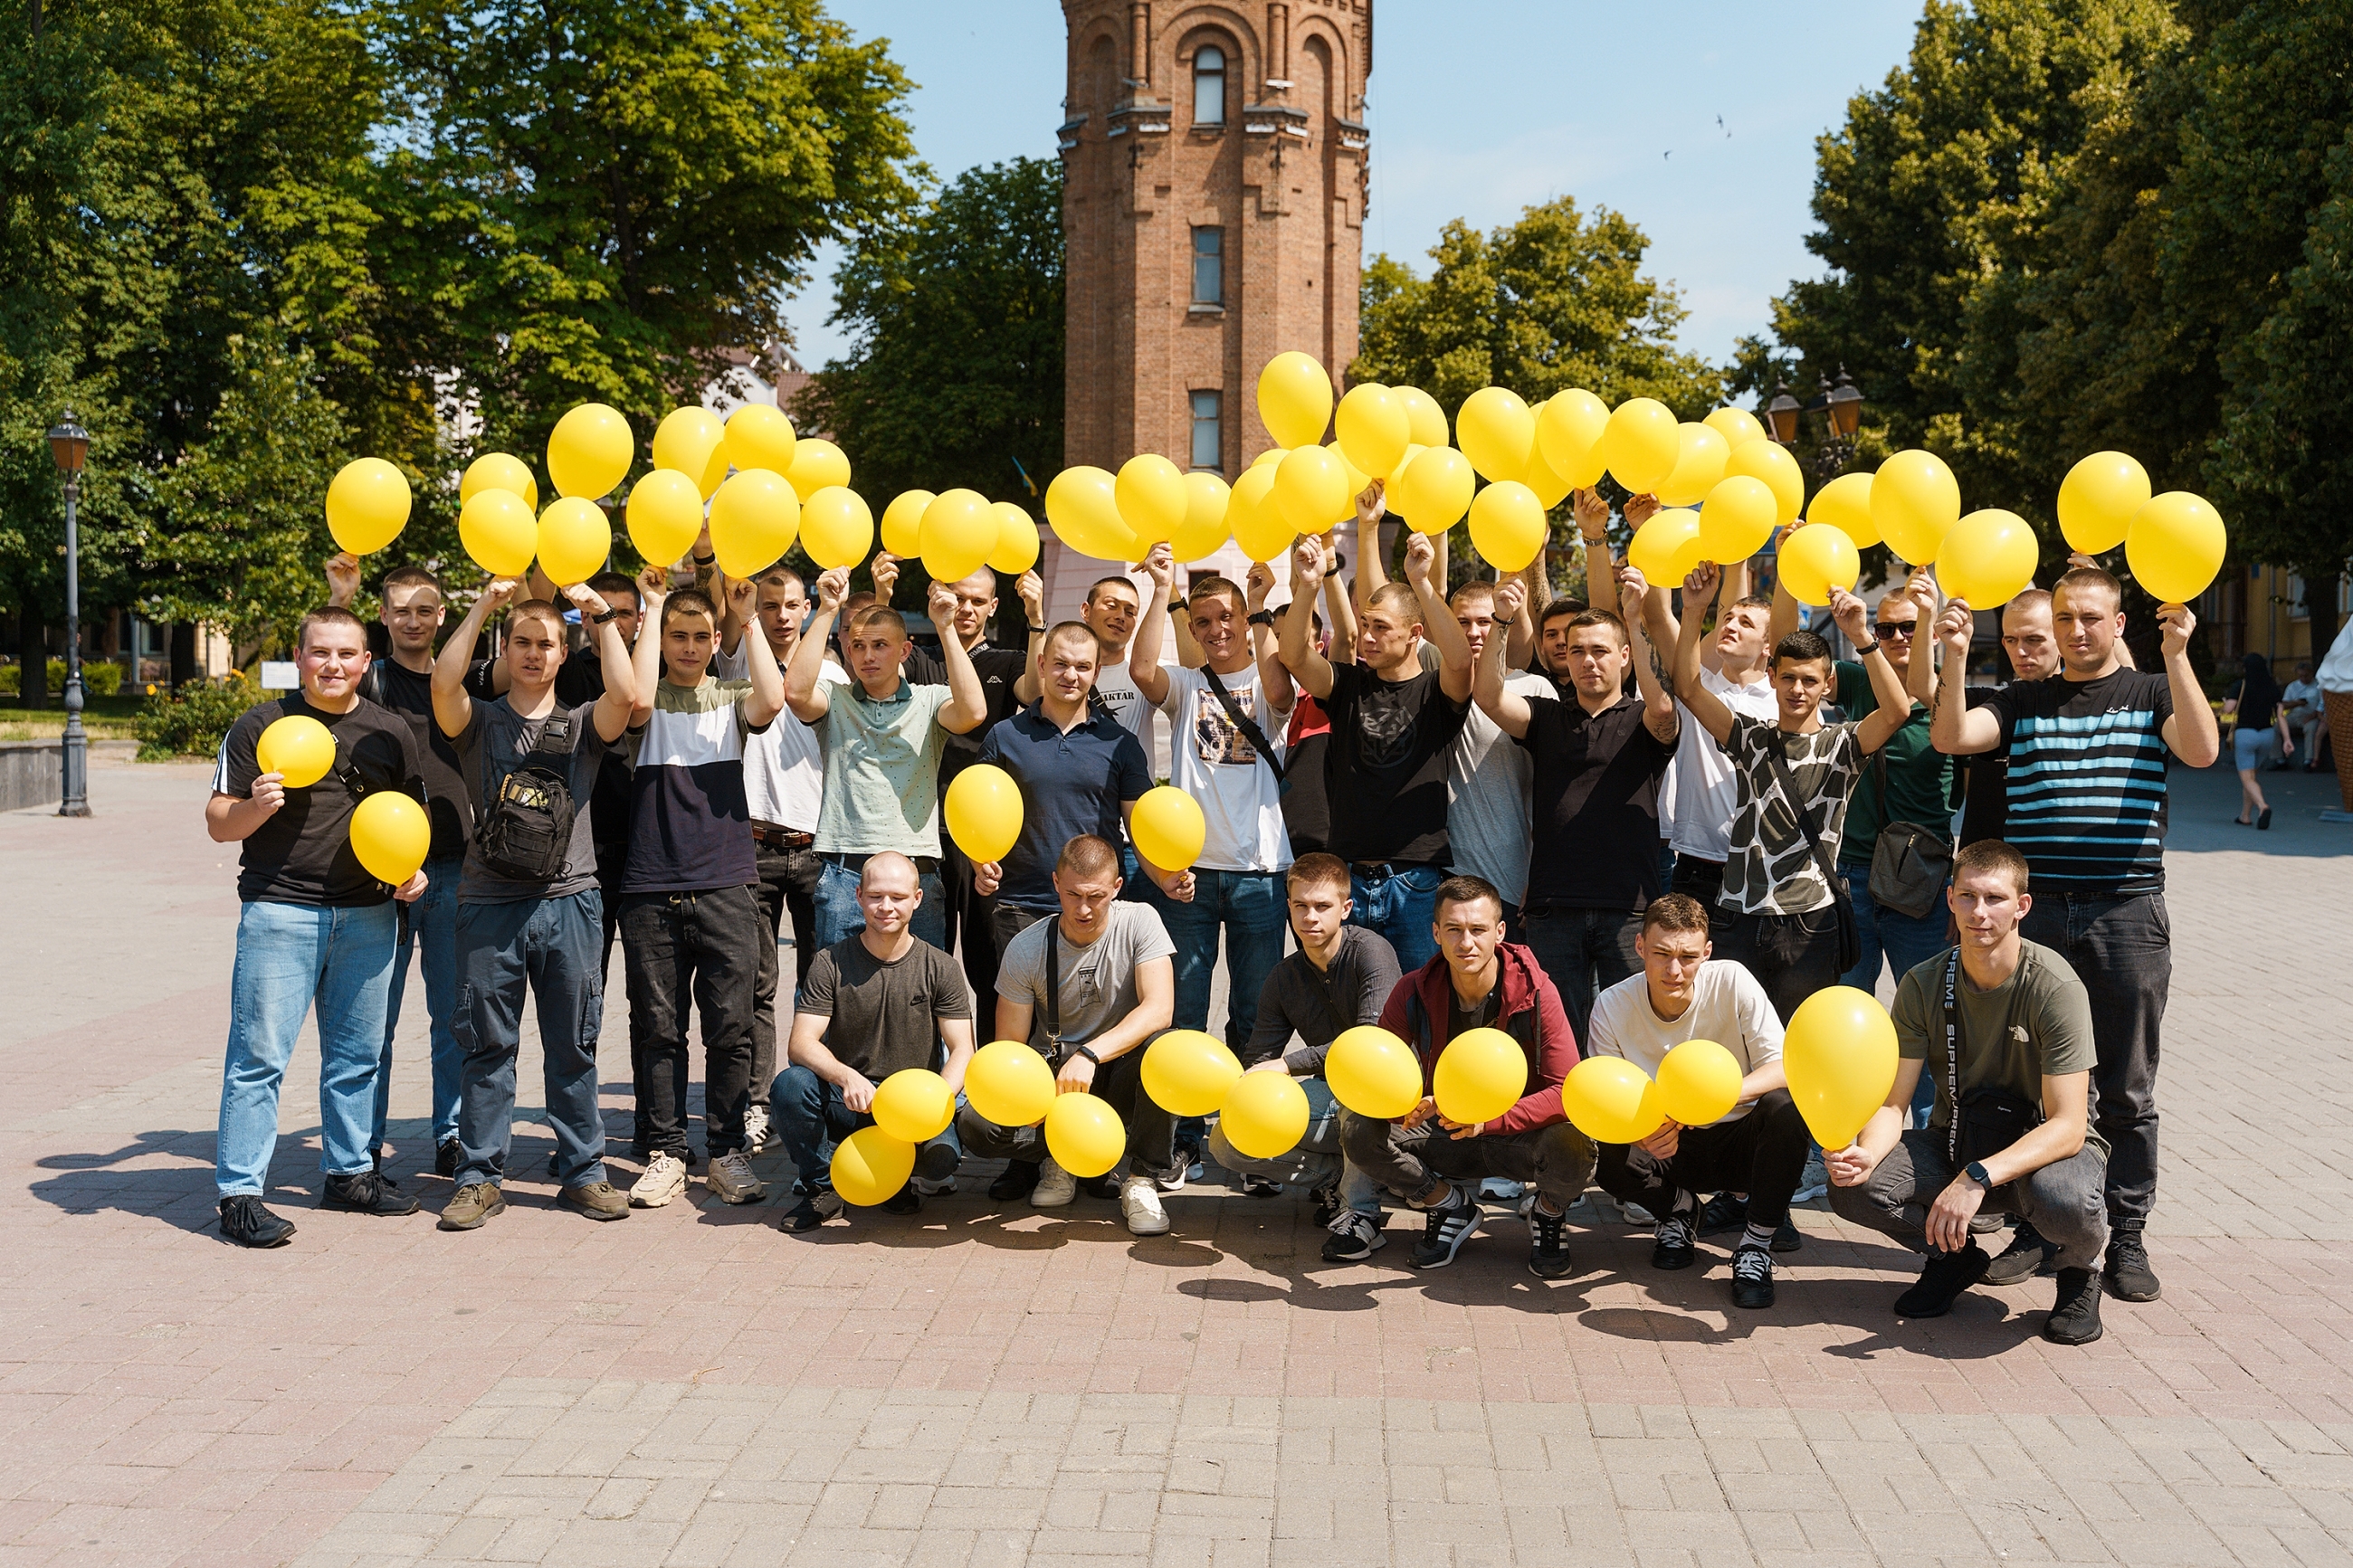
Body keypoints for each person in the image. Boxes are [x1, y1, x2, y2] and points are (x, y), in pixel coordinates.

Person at [1929, 565, 2219, 1302]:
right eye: (2065, 619)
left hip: (2127, 912)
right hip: (2042, 913)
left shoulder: (2152, 691)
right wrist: (1956, 651)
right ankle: (2043, 1225)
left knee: (2125, 1085)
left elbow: (2202, 749)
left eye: (2091, 617)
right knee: (2040, 1082)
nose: (2076, 630)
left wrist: (2179, 655)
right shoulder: (2023, 699)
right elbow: (1954, 734)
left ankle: (2125, 1235)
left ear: (2119, 624)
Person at [1825, 840, 2110, 1345]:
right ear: (1951, 900)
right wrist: (1864, 1155)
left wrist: (1976, 1178)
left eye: (1995, 899)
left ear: (2022, 906)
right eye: (1967, 898)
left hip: (2043, 1154)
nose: (1980, 913)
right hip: (1958, 1138)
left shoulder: (2055, 986)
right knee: (1853, 1187)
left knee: (2064, 1200)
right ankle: (1952, 1259)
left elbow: (2068, 1125)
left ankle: (2078, 1273)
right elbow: (1895, 1102)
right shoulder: (1923, 982)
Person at [205, 605, 429, 1246]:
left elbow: (405, 823)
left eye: (346, 654)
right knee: (258, 1058)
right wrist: (254, 806)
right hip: (280, 910)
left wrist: (413, 877)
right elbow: (218, 820)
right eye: (320, 652)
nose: (333, 664)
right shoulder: (259, 726)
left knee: (358, 1056)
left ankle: (350, 1172)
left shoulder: (390, 732)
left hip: (368, 915)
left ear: (367, 662)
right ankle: (240, 1194)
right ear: (300, 657)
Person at [426, 579, 639, 1230]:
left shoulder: (580, 725)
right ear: (506, 647)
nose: (534, 653)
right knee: (487, 1046)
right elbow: (442, 683)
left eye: (547, 643)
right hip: (490, 904)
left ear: (562, 649)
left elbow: (627, 696)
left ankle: (584, 1172)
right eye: (522, 641)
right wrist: (484, 605)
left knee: (574, 1045)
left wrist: (599, 615)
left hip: (571, 902)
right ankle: (479, 1175)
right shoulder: (479, 722)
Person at [616, 570, 786, 1211]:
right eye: (676, 636)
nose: (688, 646)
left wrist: (746, 620)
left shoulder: (731, 694)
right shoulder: (644, 699)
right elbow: (632, 696)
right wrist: (654, 603)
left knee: (730, 1029)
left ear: (715, 639)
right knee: (658, 1027)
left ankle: (725, 1151)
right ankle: (665, 1151)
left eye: (699, 636)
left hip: (727, 883)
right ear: (662, 640)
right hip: (651, 886)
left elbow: (772, 701)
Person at [1671, 575, 1915, 1022]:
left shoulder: (1844, 743)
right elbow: (1688, 689)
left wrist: (1861, 637)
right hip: (1737, 913)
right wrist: (1692, 611)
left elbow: (1897, 710)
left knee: (1795, 1049)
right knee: (1735, 1039)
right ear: (1772, 678)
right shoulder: (1749, 736)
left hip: (1808, 920)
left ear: (1826, 686)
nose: (1797, 690)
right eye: (1788, 678)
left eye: (1809, 680)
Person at [1340, 875, 1595, 1277]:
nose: (1466, 943)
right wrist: (1404, 1106)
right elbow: (1378, 1070)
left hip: (1517, 1136)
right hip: (1446, 1128)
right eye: (1454, 930)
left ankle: (1548, 1212)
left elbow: (1567, 1089)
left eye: (1478, 930)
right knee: (1358, 1130)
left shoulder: (1538, 992)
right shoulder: (1413, 990)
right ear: (1436, 932)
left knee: (1575, 1143)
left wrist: (1489, 1121)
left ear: (1500, 931)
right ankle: (1448, 1205)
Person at [1474, 549, 1679, 1047]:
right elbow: (1487, 697)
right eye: (1577, 650)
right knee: (1557, 1037)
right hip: (1553, 909)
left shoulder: (1643, 720)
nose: (1588, 661)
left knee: (1635, 1036)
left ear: (1624, 655)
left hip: (1628, 908)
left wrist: (1634, 619)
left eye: (1601, 650)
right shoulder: (1547, 715)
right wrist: (1501, 621)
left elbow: (1665, 708)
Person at [1586, 894, 1807, 1308]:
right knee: (1606, 1154)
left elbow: (1783, 1067)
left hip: (1738, 1137)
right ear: (1639, 947)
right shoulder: (1612, 1003)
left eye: (1687, 957)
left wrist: (1718, 1096)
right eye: (1661, 954)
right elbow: (1603, 1094)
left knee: (1785, 1109)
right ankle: (1679, 1210)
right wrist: (1642, 1132)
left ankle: (1756, 1246)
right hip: (1668, 1143)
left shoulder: (1733, 980)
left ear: (1707, 952)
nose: (1674, 970)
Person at [325, 556, 470, 1176]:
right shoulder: (371, 680)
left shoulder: (462, 679)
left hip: (455, 870)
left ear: (441, 616)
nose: (411, 621)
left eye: (423, 610)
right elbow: (328, 664)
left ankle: (454, 1136)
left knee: (455, 1017)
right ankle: (365, 1145)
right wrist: (340, 596)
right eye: (399, 610)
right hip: (380, 876)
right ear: (382, 616)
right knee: (370, 1023)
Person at [956, 835, 1177, 1234]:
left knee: (1169, 1052)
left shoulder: (1141, 920)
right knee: (975, 1124)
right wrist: (1029, 1104)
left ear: (1116, 888)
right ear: (1056, 883)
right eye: (1073, 894)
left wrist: (1090, 1055)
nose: (1084, 908)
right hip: (1052, 1083)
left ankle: (1142, 1179)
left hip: (1118, 1070)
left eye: (1096, 896)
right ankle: (1061, 1155)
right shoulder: (1026, 947)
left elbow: (1159, 1009)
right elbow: (1009, 1049)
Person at [1128, 557, 1296, 1066]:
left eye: (1227, 616)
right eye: (1203, 621)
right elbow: (1140, 671)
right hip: (1190, 873)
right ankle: (1182, 1133)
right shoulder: (1184, 685)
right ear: (1193, 630)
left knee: (1254, 1014)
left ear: (1245, 621)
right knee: (1185, 1011)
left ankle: (1242, 1128)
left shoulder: (1269, 680)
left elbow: (1279, 693)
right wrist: (1161, 589)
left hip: (1260, 873)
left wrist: (1262, 604)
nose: (1216, 628)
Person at [1279, 532, 1471, 972]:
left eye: (1380, 627)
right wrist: (1308, 585)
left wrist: (1421, 582)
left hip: (1416, 882)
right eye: (1365, 625)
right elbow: (1292, 655)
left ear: (1414, 634)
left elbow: (1461, 663)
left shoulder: (1436, 692)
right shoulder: (1347, 684)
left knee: (1416, 1008)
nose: (1367, 636)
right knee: (1350, 1013)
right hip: (1348, 880)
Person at [1775, 562, 1958, 995]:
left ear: (1932, 632)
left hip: (1923, 878)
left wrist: (1961, 886)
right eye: (1886, 629)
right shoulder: (1860, 680)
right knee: (1844, 1007)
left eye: (1909, 627)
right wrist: (1789, 566)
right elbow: (1787, 650)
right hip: (1851, 874)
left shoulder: (1953, 700)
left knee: (1926, 1013)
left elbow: (1984, 800)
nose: (1896, 637)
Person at [1207, 853, 1403, 1258]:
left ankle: (1361, 1214)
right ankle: (1341, 1179)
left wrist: (1289, 1064)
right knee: (1228, 1141)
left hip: (1393, 1102)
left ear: (1346, 909)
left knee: (1359, 1095)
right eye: (1300, 906)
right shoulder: (1284, 977)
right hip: (1330, 1096)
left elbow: (1368, 1045)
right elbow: (1260, 1058)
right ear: (1289, 907)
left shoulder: (1371, 952)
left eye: (1322, 906)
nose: (1310, 917)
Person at [785, 569, 990, 953]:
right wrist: (828, 609)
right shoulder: (836, 699)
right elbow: (795, 692)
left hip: (917, 874)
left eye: (880, 645)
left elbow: (974, 711)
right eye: (858, 645)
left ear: (904, 651)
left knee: (920, 999)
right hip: (847, 870)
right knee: (839, 1001)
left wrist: (945, 628)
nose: (867, 655)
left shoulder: (929, 700)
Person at [772, 853, 978, 1231]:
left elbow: (964, 1048)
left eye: (898, 897)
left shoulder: (941, 967)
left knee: (941, 1160)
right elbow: (801, 1043)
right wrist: (845, 1077)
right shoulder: (829, 963)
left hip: (912, 1105)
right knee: (790, 1086)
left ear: (917, 899)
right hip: (852, 1098)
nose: (886, 907)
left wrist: (937, 1099)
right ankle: (824, 1187)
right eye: (876, 896)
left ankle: (897, 1181)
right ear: (858, 896)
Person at [711, 565, 840, 1155]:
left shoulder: (832, 672)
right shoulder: (738, 658)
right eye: (770, 604)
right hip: (752, 845)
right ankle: (759, 1104)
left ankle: (818, 1094)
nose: (783, 614)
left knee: (822, 986)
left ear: (809, 606)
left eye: (793, 604)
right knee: (756, 986)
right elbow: (727, 614)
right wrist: (715, 561)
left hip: (817, 848)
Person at [885, 556, 1042, 1001]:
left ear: (993, 606)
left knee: (989, 963)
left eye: (977, 600)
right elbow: (879, 676)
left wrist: (1035, 618)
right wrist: (884, 599)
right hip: (925, 828)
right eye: (958, 598)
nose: (967, 608)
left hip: (985, 832)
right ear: (939, 596)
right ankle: (926, 1065)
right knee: (920, 965)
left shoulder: (1010, 660)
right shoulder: (918, 659)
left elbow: (1033, 695)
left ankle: (992, 1064)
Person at [972, 622, 1163, 955]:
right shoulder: (1005, 736)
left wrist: (1166, 877)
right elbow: (975, 812)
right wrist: (979, 863)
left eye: (1082, 666)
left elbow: (1140, 827)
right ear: (1043, 665)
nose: (1070, 675)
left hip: (1096, 907)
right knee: (1018, 1008)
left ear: (1097, 672)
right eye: (1060, 664)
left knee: (1096, 1008)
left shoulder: (1121, 743)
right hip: (1021, 905)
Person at [1629, 553, 1775, 927]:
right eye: (1727, 618)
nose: (1731, 625)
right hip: (1698, 868)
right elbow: (1662, 621)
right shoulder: (1697, 688)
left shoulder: (1786, 701)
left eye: (1746, 622)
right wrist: (1695, 609)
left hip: (1769, 867)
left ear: (1768, 645)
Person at [1436, 575, 1554, 931]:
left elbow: (1554, 792)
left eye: (1485, 621)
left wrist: (1541, 872)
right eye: (1462, 622)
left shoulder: (1534, 688)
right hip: (1442, 877)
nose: (1474, 632)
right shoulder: (1433, 685)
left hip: (1513, 879)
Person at [1948, 589, 2062, 850]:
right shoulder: (1993, 702)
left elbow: (2130, 693)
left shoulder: (2086, 702)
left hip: (2051, 870)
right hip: (1983, 867)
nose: (2021, 651)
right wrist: (1953, 647)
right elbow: (1925, 691)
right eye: (2011, 640)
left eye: (2034, 639)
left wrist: (2104, 618)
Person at [1021, 567, 1158, 752]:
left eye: (1130, 612)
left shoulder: (1148, 675)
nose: (1120, 616)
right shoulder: (1061, 673)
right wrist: (1036, 620)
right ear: (1086, 610)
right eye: (1111, 605)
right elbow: (1035, 697)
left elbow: (1197, 679)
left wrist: (1167, 590)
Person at [2222, 651, 2291, 827]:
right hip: (2267, 736)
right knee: (2251, 776)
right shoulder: (2272, 687)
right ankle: (2245, 816)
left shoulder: (2241, 685)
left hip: (2245, 735)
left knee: (2247, 778)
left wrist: (2224, 703)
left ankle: (2262, 806)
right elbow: (2281, 716)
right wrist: (2287, 740)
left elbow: (2229, 709)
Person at [2282, 660, 2325, 772]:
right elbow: (2284, 704)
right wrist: (2297, 703)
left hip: (2312, 715)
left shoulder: (2318, 686)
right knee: (2277, 727)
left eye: (2306, 676)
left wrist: (2313, 715)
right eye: (2301, 676)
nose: (2304, 678)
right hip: (2295, 713)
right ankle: (2278, 759)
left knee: (2310, 729)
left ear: (2311, 674)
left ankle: (2308, 760)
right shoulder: (2292, 686)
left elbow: (2323, 704)